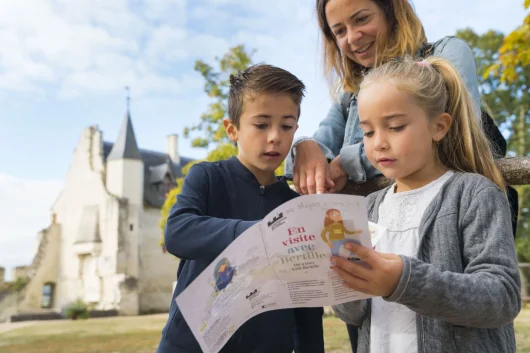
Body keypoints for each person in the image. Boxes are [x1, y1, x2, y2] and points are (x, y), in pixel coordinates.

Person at [330, 55, 521, 353]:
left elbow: (502, 297)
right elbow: (352, 314)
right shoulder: (366, 208)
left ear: (439, 127)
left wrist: (403, 281)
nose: (378, 142)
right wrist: (345, 282)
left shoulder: (474, 194)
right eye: (368, 132)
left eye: (394, 127)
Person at [156, 64, 325, 353]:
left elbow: (306, 302)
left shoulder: (297, 206)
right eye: (261, 125)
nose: (275, 136)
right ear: (232, 129)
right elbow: (177, 233)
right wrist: (260, 233)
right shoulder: (206, 177)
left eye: (286, 126)